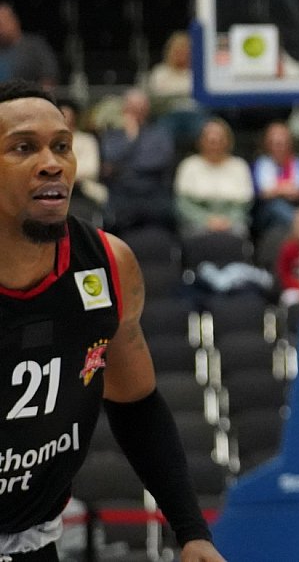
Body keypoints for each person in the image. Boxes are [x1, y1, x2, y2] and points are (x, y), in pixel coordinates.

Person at [0, 81, 225, 562]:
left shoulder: (107, 264)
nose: (51, 163)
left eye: (62, 146)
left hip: (32, 542)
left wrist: (191, 532)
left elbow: (136, 404)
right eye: (23, 148)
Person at [100, 87, 177, 233]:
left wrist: (123, 167)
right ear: (124, 109)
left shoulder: (160, 134)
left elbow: (159, 161)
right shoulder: (112, 135)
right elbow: (110, 159)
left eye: (140, 107)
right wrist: (131, 138)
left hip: (152, 191)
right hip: (122, 192)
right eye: (132, 108)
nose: (136, 112)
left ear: (147, 109)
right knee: (112, 218)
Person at [173, 117, 254, 239]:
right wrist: (206, 220)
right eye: (210, 140)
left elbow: (245, 205)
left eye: (219, 140)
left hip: (232, 222)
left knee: (239, 232)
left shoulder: (239, 166)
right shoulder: (189, 165)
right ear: (200, 141)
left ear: (228, 141)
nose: (215, 144)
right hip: (196, 221)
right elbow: (182, 205)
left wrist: (228, 221)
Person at [250, 121, 299, 233]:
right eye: (275, 143)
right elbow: (261, 193)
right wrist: (285, 190)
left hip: (296, 207)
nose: (279, 147)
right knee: (277, 206)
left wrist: (277, 190)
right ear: (267, 144)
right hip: (265, 212)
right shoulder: (259, 164)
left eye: (282, 143)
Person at [0, 3, 60, 87]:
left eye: (1, 24)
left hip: (27, 93)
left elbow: (49, 76)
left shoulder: (35, 46)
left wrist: (40, 92)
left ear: (14, 22)